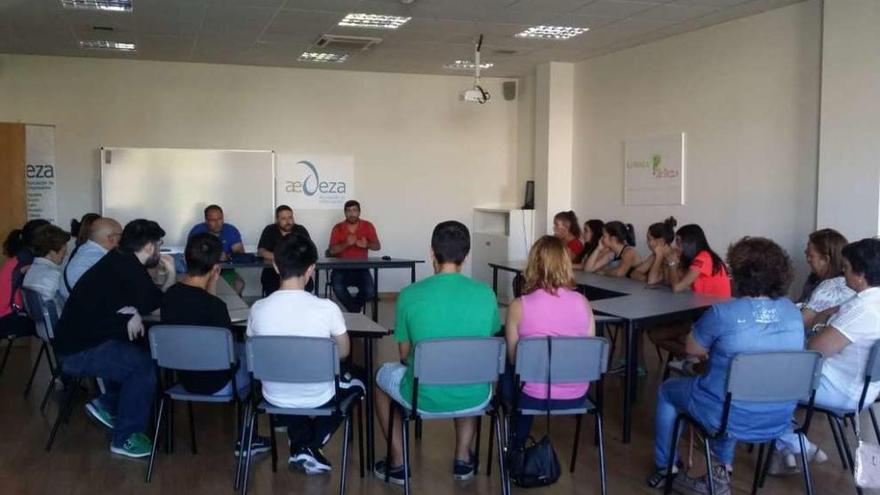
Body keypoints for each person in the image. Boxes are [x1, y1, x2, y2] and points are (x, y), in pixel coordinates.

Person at [647, 237, 804, 494]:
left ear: (740, 274)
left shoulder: (724, 313)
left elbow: (692, 349)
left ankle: (666, 468)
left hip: (726, 412)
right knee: (735, 389)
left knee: (669, 391)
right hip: (780, 413)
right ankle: (721, 469)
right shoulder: (792, 312)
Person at [373, 221, 500, 484]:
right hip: (476, 395)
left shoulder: (409, 295)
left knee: (379, 379)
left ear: (432, 252)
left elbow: (404, 352)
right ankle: (463, 459)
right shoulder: (486, 294)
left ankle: (397, 463)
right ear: (466, 255)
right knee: (468, 370)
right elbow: (487, 343)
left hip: (422, 395)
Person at [54, 219, 176, 458]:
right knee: (142, 367)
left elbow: (143, 301)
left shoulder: (119, 261)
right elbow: (159, 306)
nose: (160, 250)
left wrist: (133, 311)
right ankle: (125, 437)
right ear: (150, 247)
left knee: (140, 347)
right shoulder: (129, 268)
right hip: (79, 352)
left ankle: (107, 404)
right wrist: (171, 274)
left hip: (78, 341)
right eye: (159, 245)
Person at [247, 232, 363, 474]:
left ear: (276, 266)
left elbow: (253, 352)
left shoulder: (258, 309)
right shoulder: (327, 309)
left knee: (288, 376)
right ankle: (309, 446)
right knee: (359, 382)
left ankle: (301, 445)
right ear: (312, 269)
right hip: (318, 394)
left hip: (273, 394)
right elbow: (343, 353)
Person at [773, 238, 880, 473]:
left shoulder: (863, 309)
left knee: (763, 380)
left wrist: (820, 327)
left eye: (847, 267)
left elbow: (816, 348)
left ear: (861, 274)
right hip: (867, 388)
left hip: (841, 389)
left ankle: (796, 444)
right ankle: (786, 448)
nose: (843, 271)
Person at [161, 233, 270, 455]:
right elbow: (225, 348)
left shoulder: (169, 296)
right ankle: (249, 438)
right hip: (217, 382)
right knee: (258, 360)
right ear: (216, 268)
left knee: (236, 350)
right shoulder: (216, 307)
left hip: (183, 377)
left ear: (186, 258)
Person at [503, 235, 595, 448]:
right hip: (577, 394)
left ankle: (516, 446)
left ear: (532, 264)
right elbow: (587, 352)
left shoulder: (519, 306)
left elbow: (514, 359)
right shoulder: (583, 302)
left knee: (510, 370)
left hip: (532, 395)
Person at [649, 224, 731, 358]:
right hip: (702, 311)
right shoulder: (701, 257)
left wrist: (672, 264)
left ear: (690, 243)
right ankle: (697, 358)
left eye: (679, 243)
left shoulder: (702, 258)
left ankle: (701, 357)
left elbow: (677, 288)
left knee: (656, 335)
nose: (677, 247)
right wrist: (669, 264)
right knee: (666, 331)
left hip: (711, 315)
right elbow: (672, 283)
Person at [328, 200, 381, 313]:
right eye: (348, 211)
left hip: (361, 268)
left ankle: (353, 310)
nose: (352, 214)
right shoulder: (337, 228)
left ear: (359, 212)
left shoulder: (368, 225)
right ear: (345, 213)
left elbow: (377, 246)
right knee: (337, 287)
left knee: (370, 290)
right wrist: (346, 243)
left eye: (354, 210)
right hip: (341, 268)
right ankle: (356, 311)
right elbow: (331, 251)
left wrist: (367, 244)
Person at [0, 220, 48, 342]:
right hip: (7, 319)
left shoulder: (21, 257)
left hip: (6, 315)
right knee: (56, 322)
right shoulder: (26, 263)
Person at [798, 229, 853, 331]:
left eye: (810, 256)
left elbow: (798, 324)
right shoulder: (814, 280)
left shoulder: (832, 287)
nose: (807, 260)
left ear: (825, 259)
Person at [60, 217, 123, 299]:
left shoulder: (86, 250)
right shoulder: (99, 259)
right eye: (120, 235)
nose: (122, 239)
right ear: (111, 238)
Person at [188, 205, 245, 294]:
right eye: (213, 220)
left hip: (224, 270)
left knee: (239, 283)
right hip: (202, 271)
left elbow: (240, 253)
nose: (218, 223)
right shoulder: (197, 231)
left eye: (220, 219)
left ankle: (227, 307)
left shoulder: (230, 230)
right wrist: (213, 256)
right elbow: (190, 254)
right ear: (206, 221)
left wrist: (228, 256)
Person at [257, 205, 311, 296]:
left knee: (309, 285)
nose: (288, 221)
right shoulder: (270, 230)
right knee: (271, 286)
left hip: (297, 271)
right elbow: (261, 251)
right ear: (277, 220)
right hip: (273, 271)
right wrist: (284, 257)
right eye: (283, 218)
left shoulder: (300, 230)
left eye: (290, 217)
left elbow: (309, 250)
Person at [22, 225, 71, 314]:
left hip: (42, 326)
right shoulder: (53, 275)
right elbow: (67, 304)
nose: (66, 254)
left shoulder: (31, 270)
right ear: (51, 252)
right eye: (63, 252)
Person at [629, 217, 677, 284]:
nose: (647, 242)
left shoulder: (672, 257)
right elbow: (634, 273)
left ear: (661, 241)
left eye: (649, 239)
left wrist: (659, 256)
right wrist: (647, 278)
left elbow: (652, 281)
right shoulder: (654, 256)